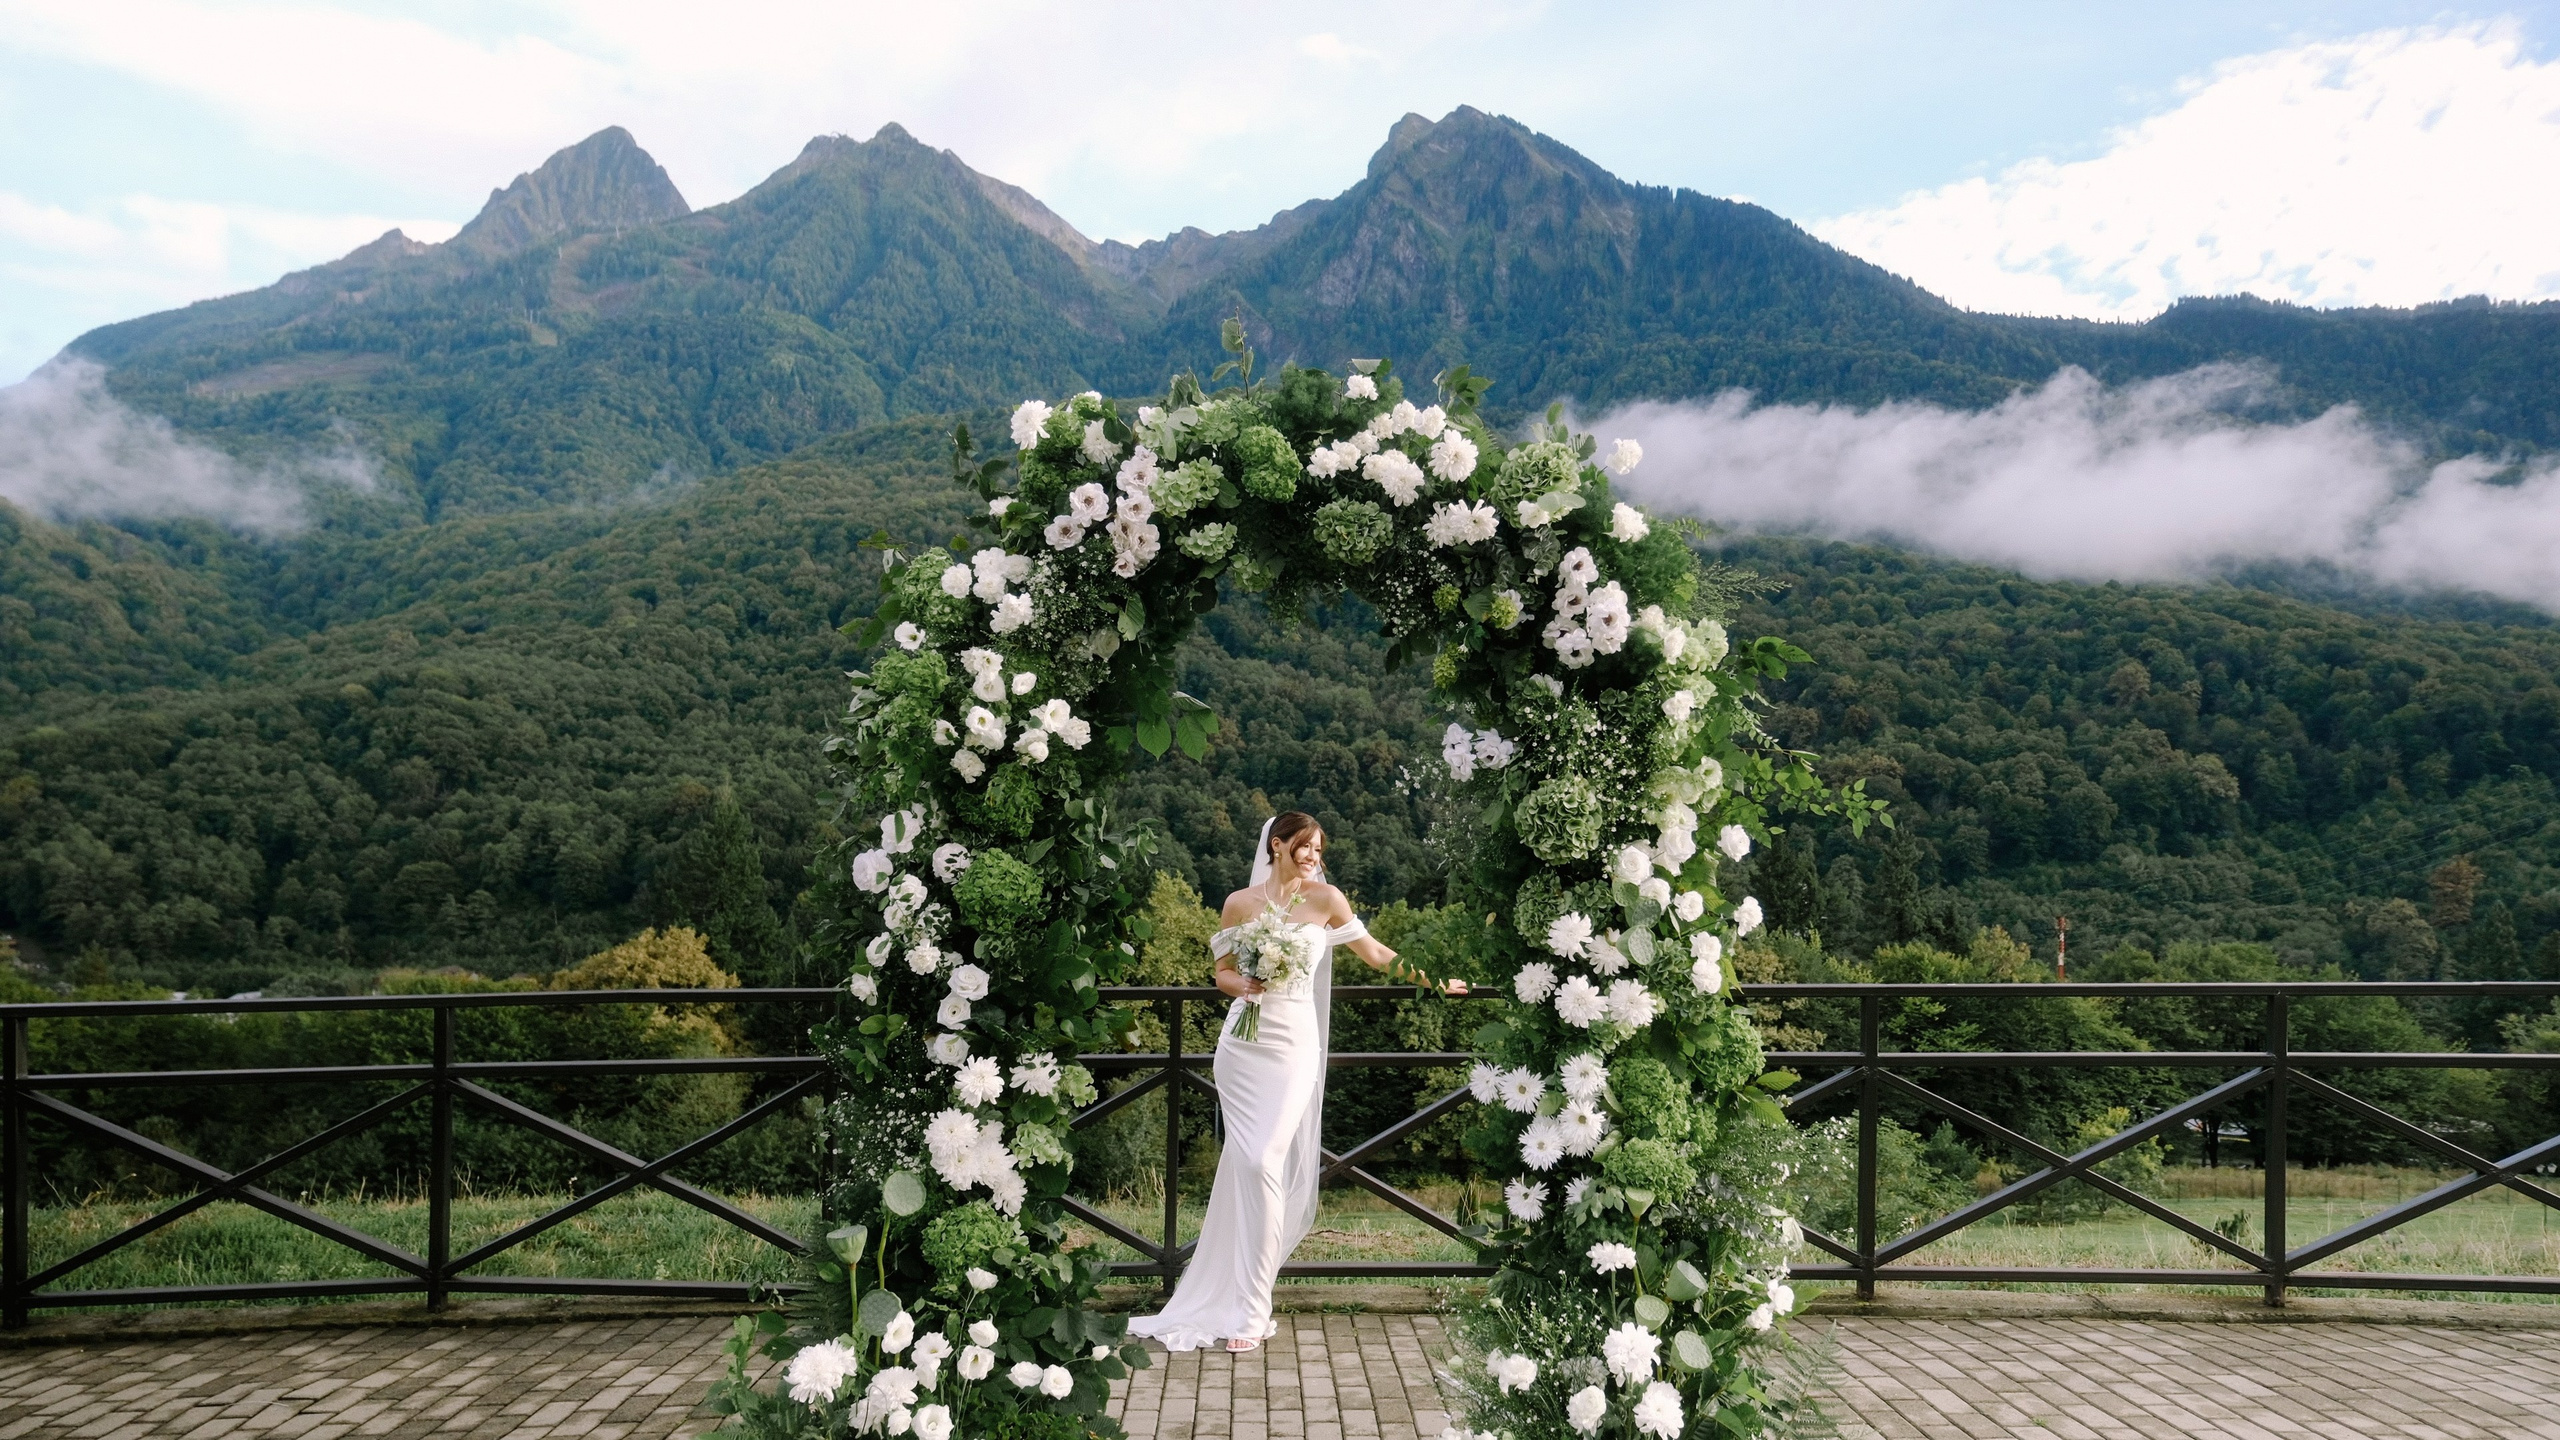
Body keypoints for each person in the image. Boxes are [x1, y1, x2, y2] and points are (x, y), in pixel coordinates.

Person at [1127, 812, 1466, 1353]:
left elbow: (1377, 954)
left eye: (1318, 848)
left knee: (1264, 1161)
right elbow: (1221, 974)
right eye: (1304, 846)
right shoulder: (1240, 903)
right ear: (1277, 845)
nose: (1313, 855)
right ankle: (1240, 1301)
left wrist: (1436, 981)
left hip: (1293, 1049)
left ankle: (1254, 1309)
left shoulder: (1327, 900)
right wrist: (1247, 983)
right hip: (1241, 1048)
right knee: (1245, 1168)